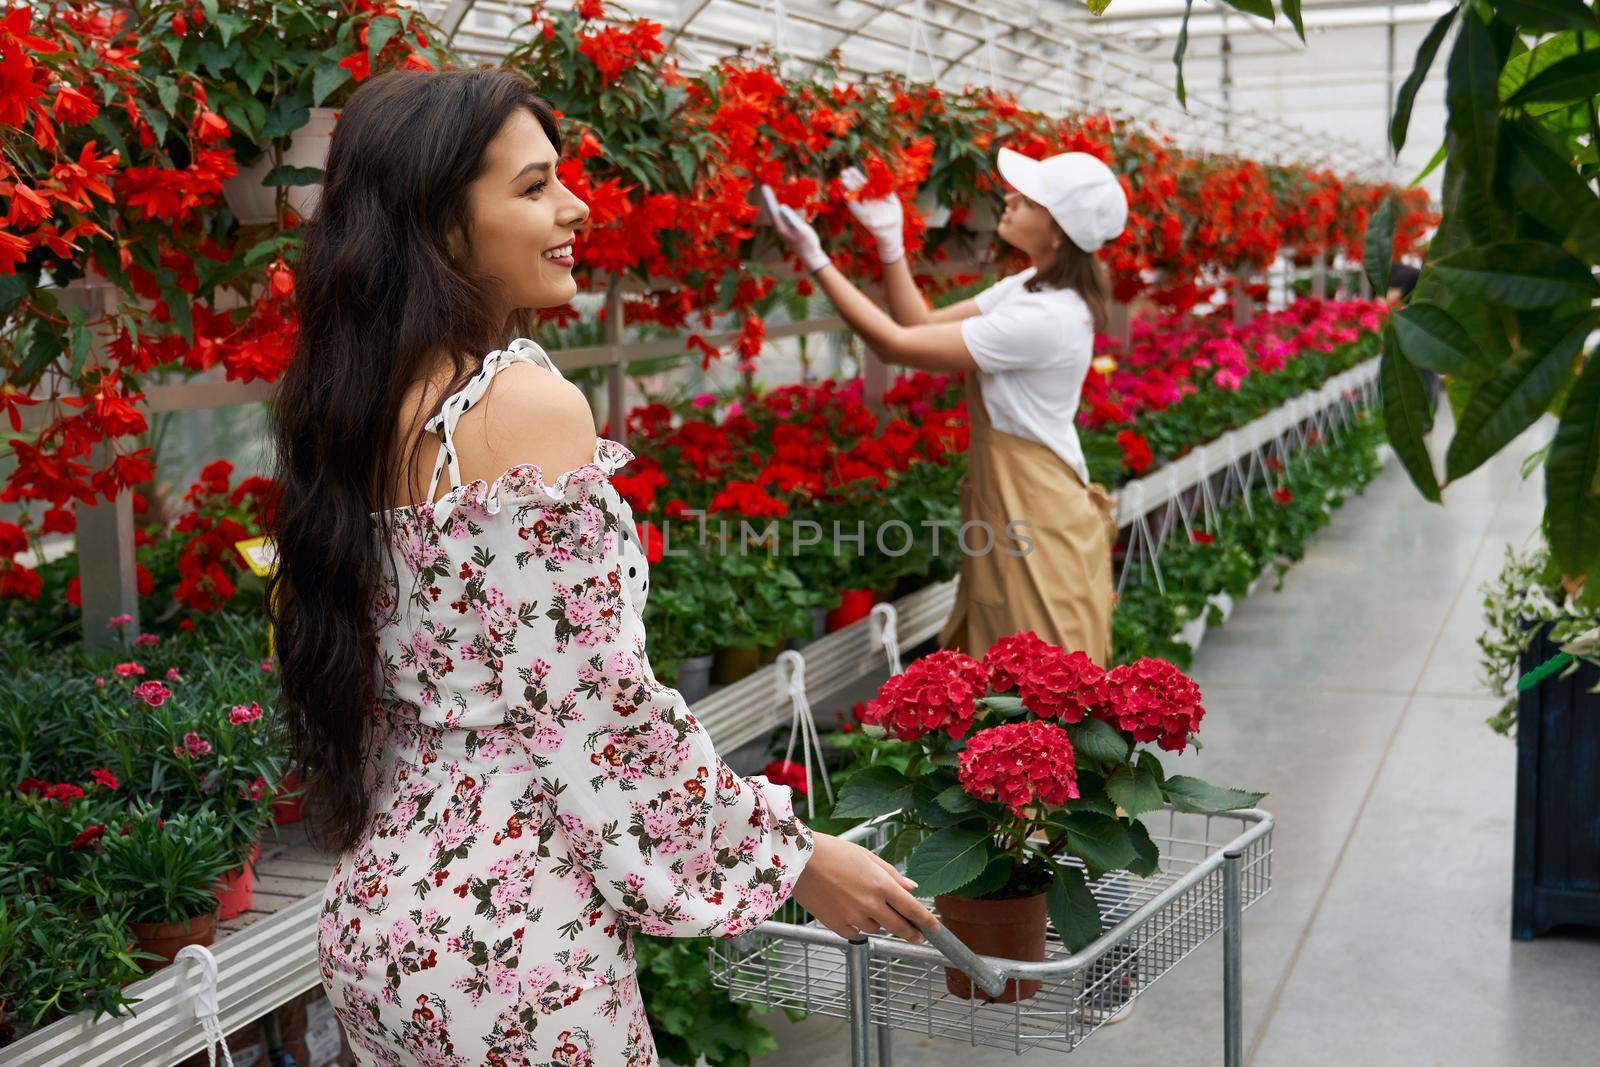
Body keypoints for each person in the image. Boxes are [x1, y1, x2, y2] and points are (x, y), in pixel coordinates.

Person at [265, 69, 935, 1067]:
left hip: (382, 923)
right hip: (512, 944)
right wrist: (791, 853)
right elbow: (595, 707)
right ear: (443, 227)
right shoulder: (520, 403)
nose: (576, 206)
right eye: (534, 187)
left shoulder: (359, 404)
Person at [770, 148, 1128, 666]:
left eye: (1027, 199)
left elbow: (895, 345)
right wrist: (891, 244)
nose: (1008, 199)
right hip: (1014, 498)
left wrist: (817, 259)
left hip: (1035, 510)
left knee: (1040, 671)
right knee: (1009, 660)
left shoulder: (1047, 316)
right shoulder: (1028, 288)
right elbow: (918, 323)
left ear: (1058, 233)